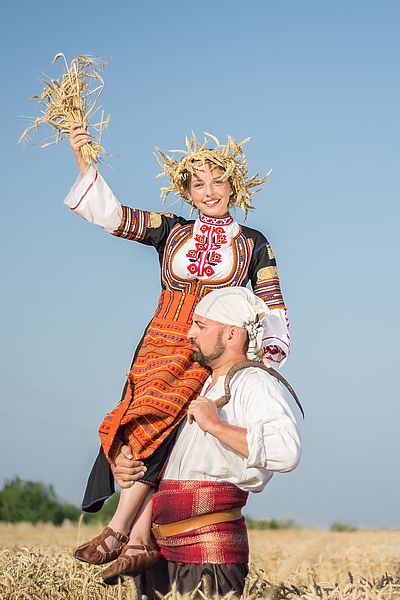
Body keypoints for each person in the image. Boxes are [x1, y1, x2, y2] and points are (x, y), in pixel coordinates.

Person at [66, 127, 291, 578]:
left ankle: (123, 530)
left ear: (234, 185)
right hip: (158, 343)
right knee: (143, 423)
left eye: (217, 181)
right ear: (187, 192)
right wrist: (82, 160)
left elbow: (272, 303)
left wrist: (265, 359)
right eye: (198, 184)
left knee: (177, 427)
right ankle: (136, 537)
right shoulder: (172, 231)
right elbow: (113, 217)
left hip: (206, 346)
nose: (209, 192)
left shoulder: (253, 243)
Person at [105, 286, 301, 595]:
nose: (189, 333)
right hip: (159, 555)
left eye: (201, 325)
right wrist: (126, 464)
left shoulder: (254, 382)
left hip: (210, 558)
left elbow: (285, 450)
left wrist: (215, 425)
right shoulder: (195, 386)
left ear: (232, 335)